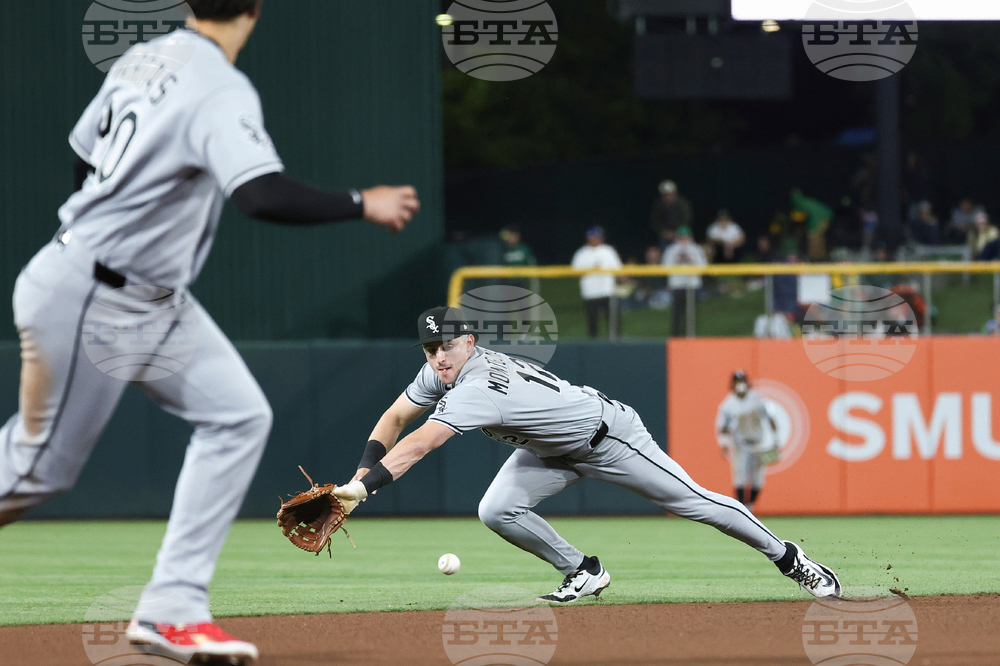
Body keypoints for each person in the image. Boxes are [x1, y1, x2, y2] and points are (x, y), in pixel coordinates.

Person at [0, 2, 419, 662]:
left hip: (144, 295)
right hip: (93, 294)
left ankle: (173, 609)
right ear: (255, 9)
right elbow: (260, 195)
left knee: (238, 416)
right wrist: (361, 203)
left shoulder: (147, 56)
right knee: (36, 470)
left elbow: (83, 159)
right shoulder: (220, 85)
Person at [333, 308, 842, 604]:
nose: (438, 357)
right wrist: (359, 475)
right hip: (549, 449)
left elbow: (421, 442)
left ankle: (792, 559)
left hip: (607, 437)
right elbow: (396, 418)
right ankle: (583, 569)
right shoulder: (441, 372)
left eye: (447, 345)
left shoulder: (476, 384)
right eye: (429, 349)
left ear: (470, 341)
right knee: (496, 510)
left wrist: (360, 491)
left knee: (696, 503)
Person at [716, 371, 778, 513]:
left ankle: (749, 507)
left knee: (758, 478)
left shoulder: (757, 399)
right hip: (740, 445)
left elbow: (770, 417)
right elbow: (723, 426)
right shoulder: (728, 404)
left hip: (758, 443)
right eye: (737, 381)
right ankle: (742, 509)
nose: (740, 385)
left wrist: (775, 439)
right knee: (740, 478)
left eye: (742, 381)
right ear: (732, 384)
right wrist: (723, 443)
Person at [570, 226, 622, 338]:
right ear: (588, 238)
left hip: (608, 291)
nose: (596, 239)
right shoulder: (581, 253)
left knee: (613, 320)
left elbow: (618, 269)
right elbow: (575, 274)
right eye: (593, 237)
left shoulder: (608, 250)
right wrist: (591, 269)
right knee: (592, 322)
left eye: (598, 237)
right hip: (590, 292)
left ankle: (617, 341)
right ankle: (593, 345)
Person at [661, 226, 707, 337]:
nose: (684, 239)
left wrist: (690, 260)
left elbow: (703, 267)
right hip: (677, 285)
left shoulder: (696, 248)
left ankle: (690, 336)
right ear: (677, 237)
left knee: (691, 314)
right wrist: (677, 260)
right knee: (677, 313)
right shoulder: (671, 249)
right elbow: (664, 267)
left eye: (686, 237)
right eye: (682, 237)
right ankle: (675, 336)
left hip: (693, 285)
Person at [791, 189, 833, 262]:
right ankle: (821, 258)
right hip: (826, 215)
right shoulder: (806, 201)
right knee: (818, 238)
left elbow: (809, 215)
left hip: (821, 218)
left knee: (813, 237)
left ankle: (815, 259)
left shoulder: (801, 203)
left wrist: (811, 228)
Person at [650, 180, 693, 248]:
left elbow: (687, 220)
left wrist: (677, 233)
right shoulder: (658, 205)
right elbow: (656, 222)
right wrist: (665, 232)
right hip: (665, 236)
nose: (668, 197)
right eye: (665, 195)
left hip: (682, 233)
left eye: (670, 194)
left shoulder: (683, 204)